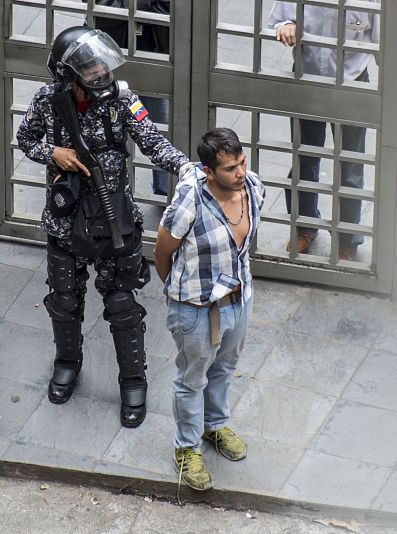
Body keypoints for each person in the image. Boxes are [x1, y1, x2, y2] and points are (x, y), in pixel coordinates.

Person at [16, 26, 190, 428]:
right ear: (68, 75)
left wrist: (183, 167)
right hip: (65, 221)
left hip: (115, 221)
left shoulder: (121, 102)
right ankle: (67, 364)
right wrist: (53, 152)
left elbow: (152, 141)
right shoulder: (47, 101)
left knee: (123, 306)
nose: (99, 73)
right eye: (89, 69)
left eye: (100, 66)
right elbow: (25, 140)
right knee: (64, 300)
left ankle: (133, 382)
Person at [153, 128, 264, 491]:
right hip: (196, 309)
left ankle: (215, 426)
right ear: (209, 170)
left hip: (239, 300)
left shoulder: (252, 188)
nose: (240, 173)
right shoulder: (191, 201)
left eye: (242, 162)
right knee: (192, 378)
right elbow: (162, 251)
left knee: (225, 367)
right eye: (230, 168)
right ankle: (186, 448)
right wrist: (177, 293)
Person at [268, 2, 380, 260]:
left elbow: (382, 40)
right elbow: (278, 19)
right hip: (308, 78)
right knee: (304, 156)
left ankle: (347, 237)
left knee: (351, 164)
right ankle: (304, 226)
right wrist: (286, 26)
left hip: (351, 82)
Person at [91, 0, 172, 195]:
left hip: (154, 62)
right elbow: (102, 15)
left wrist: (132, 5)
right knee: (109, 129)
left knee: (159, 129)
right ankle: (108, 188)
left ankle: (165, 190)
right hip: (110, 63)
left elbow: (174, 10)